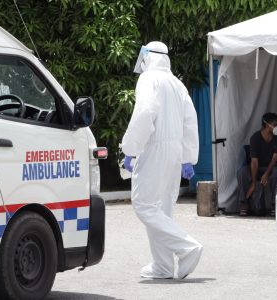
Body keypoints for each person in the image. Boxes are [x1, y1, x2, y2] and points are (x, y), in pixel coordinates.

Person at [121, 41, 202, 279]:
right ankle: (163, 266)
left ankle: (187, 247)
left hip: (155, 148)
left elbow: (145, 112)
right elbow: (190, 121)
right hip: (175, 152)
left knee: (143, 205)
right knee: (162, 211)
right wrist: (188, 158)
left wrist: (130, 149)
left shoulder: (149, 79)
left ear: (148, 56)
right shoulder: (177, 83)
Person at [237, 112, 277, 217]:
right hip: (258, 168)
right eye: (275, 124)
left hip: (271, 168)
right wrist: (254, 182)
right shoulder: (255, 138)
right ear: (267, 125)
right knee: (242, 172)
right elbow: (254, 161)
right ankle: (243, 203)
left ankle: (274, 204)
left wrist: (266, 174)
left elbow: (275, 158)